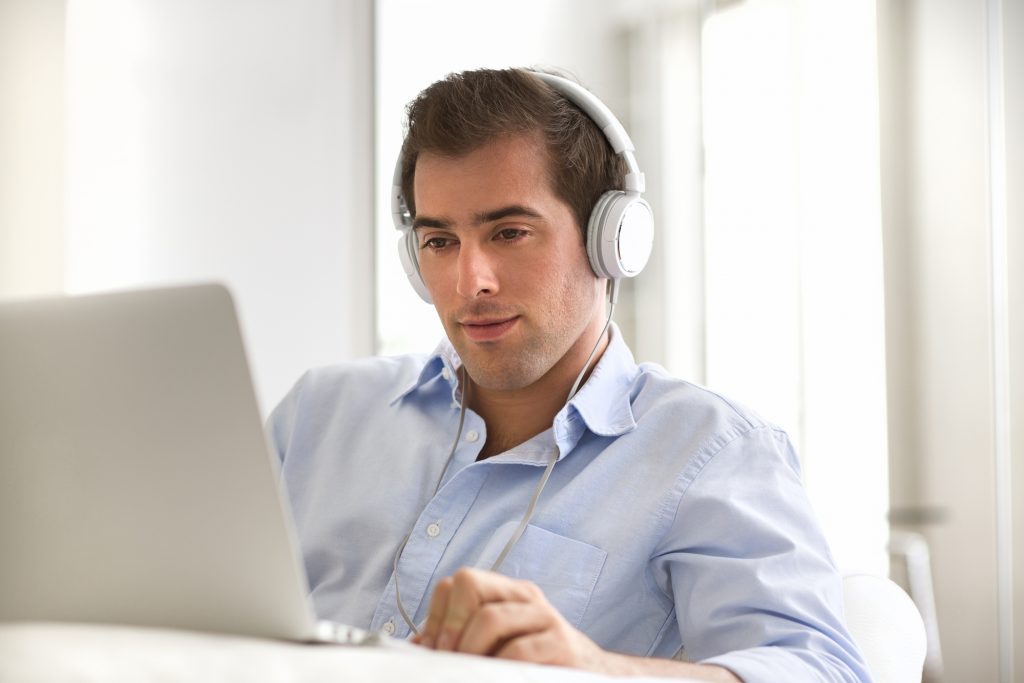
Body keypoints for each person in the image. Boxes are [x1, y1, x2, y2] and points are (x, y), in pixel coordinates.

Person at [267, 67, 872, 683]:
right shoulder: (320, 412)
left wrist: (597, 669)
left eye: (509, 233)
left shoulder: (712, 453)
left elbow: (819, 670)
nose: (469, 281)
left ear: (612, 241)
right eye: (439, 241)